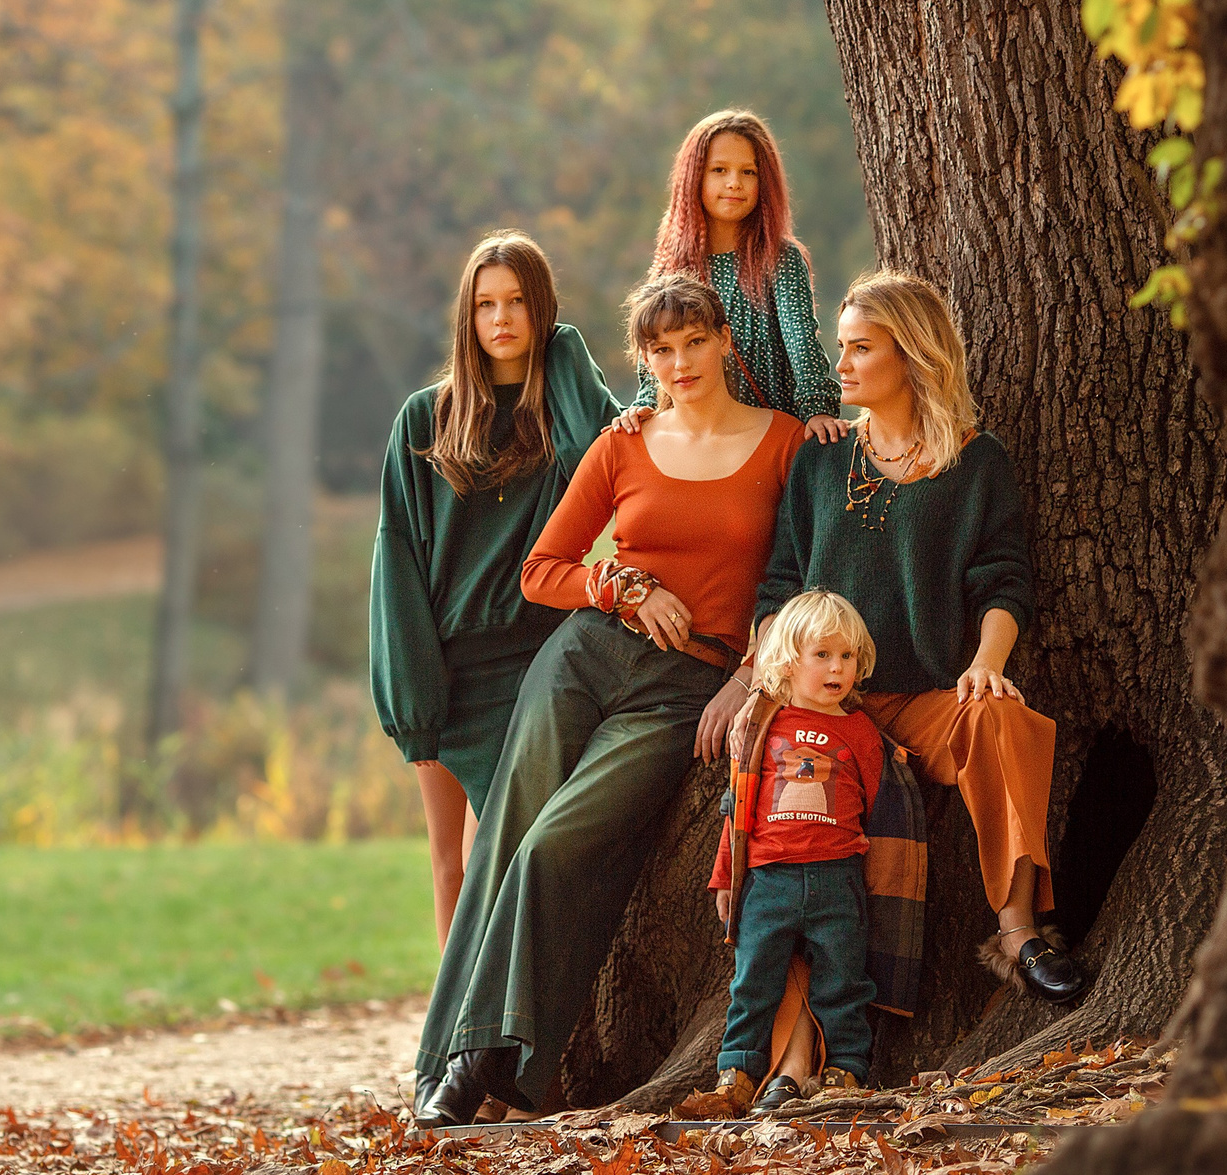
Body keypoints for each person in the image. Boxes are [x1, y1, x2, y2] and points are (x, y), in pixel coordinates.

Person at [413, 275, 801, 1126]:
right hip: (584, 655)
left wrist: (748, 675)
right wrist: (622, 587)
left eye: (694, 341)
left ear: (726, 341)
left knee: (555, 845)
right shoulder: (625, 443)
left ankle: (485, 1058)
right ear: (644, 360)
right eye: (660, 349)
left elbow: (795, 578)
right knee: (507, 834)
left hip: (686, 682)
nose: (680, 361)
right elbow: (543, 570)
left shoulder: (786, 444)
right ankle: (456, 1062)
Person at [752, 270, 1089, 1002]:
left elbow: (1005, 578)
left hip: (932, 695)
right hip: (831, 703)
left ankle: (1018, 932)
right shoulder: (820, 458)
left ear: (909, 354)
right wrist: (773, 675)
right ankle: (801, 1034)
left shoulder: (975, 461)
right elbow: (781, 582)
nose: (839, 365)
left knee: (1005, 718)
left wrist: (986, 664)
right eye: (840, 346)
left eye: (860, 348)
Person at [367, 232, 620, 947]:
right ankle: (446, 1045)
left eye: (518, 303)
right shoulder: (424, 419)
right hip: (444, 668)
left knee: (498, 860)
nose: (501, 319)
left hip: (533, 669)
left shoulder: (556, 419)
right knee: (450, 864)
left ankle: (487, 1032)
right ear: (466, 318)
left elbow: (596, 454)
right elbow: (398, 564)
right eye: (485, 304)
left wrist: (563, 345)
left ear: (542, 312)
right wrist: (412, 700)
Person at [708, 589, 886, 1113]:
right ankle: (737, 1071)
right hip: (770, 879)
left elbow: (871, 798)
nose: (837, 668)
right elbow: (737, 809)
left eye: (847, 657)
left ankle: (845, 1069)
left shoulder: (859, 731)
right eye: (823, 655)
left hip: (837, 876)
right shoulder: (764, 726)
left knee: (844, 976)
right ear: (789, 659)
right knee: (754, 977)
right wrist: (726, 879)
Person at [626, 110, 849, 442]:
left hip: (772, 431)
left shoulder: (779, 258)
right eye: (719, 170)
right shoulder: (671, 267)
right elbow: (655, 355)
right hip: (701, 438)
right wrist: (644, 404)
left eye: (749, 172)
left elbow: (801, 338)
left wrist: (817, 408)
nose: (734, 183)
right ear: (694, 178)